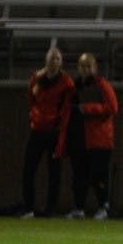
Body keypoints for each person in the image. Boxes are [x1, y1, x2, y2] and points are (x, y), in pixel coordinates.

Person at [56, 53, 119, 220]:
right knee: (79, 175)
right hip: (79, 137)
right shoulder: (74, 86)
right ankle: (79, 207)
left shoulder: (101, 85)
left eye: (88, 65)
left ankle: (104, 206)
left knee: (99, 175)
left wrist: (89, 108)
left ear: (95, 68)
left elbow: (112, 107)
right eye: (82, 66)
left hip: (99, 139)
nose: (85, 69)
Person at [20, 47, 75, 218]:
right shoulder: (37, 78)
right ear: (46, 60)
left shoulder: (66, 83)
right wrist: (34, 117)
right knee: (28, 169)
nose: (54, 61)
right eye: (51, 58)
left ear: (61, 62)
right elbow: (31, 99)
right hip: (37, 129)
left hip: (54, 132)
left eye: (57, 58)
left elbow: (67, 109)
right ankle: (29, 208)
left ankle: (50, 209)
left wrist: (61, 133)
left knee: (54, 172)